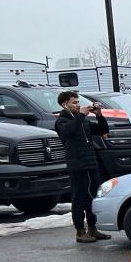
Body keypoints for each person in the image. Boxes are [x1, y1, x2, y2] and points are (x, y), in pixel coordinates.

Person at [54, 90, 112, 243]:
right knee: (79, 198)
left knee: (92, 197)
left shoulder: (83, 121)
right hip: (77, 165)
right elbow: (69, 131)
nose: (78, 105)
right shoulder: (62, 121)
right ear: (65, 105)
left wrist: (99, 115)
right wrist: (82, 115)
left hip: (91, 163)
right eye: (74, 102)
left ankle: (93, 227)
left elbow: (103, 130)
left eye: (78, 102)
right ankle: (80, 230)